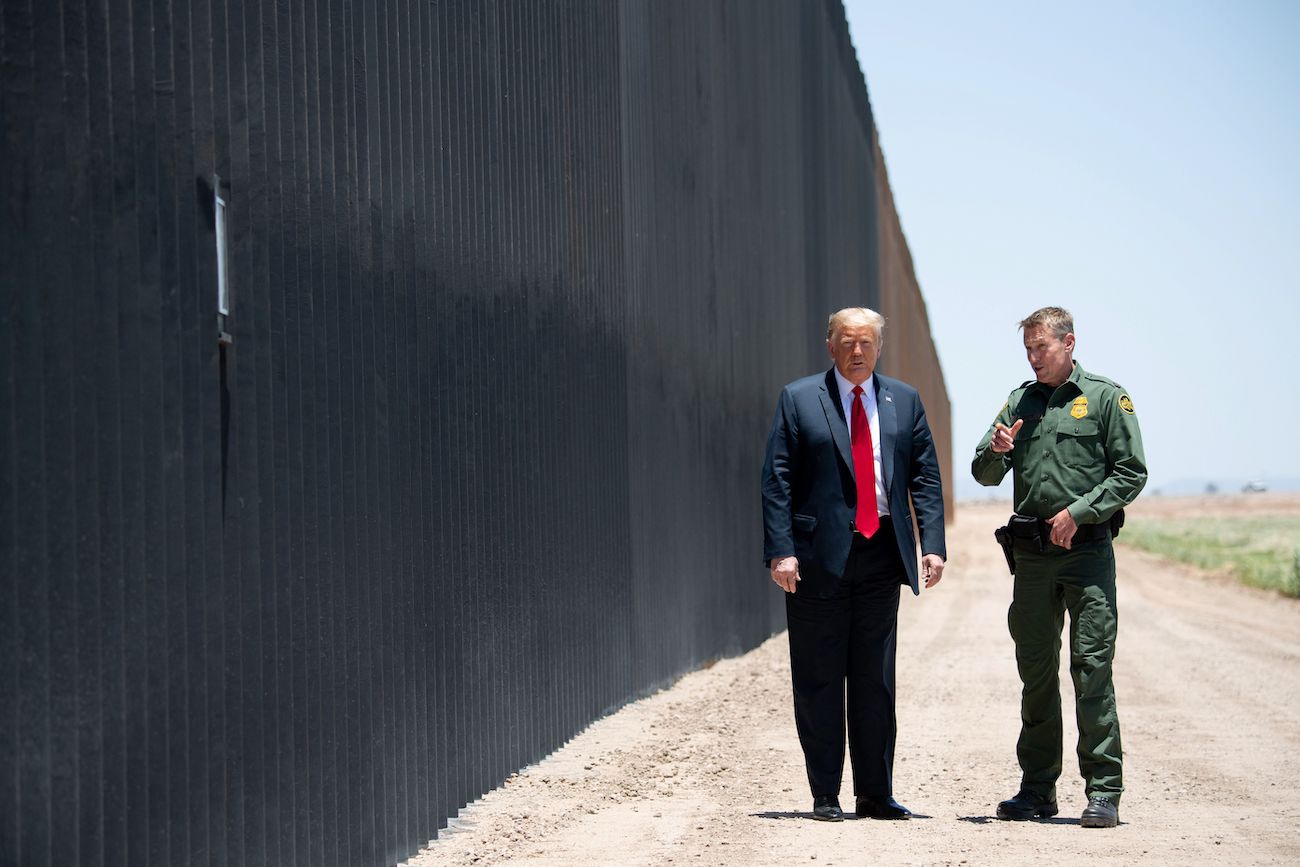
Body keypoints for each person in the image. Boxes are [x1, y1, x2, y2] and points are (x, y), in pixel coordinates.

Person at [761, 307, 947, 822]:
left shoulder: (904, 400)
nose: (857, 351)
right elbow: (777, 479)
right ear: (830, 346)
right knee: (819, 678)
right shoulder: (799, 399)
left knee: (875, 679)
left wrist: (931, 544)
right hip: (817, 561)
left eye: (866, 342)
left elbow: (925, 478)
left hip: (882, 555)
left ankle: (875, 794)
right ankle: (825, 794)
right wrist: (781, 550)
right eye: (847, 342)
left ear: (879, 347)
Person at [971, 306, 1147, 829]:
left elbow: (1131, 472)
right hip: (1031, 559)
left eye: (1041, 348)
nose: (1033, 357)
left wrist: (1081, 512)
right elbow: (982, 473)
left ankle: (1103, 791)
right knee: (1036, 673)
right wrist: (997, 449)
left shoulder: (1104, 398)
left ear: (1068, 343)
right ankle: (1037, 788)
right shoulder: (1018, 399)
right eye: (1027, 349)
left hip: (1086, 555)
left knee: (1091, 668)